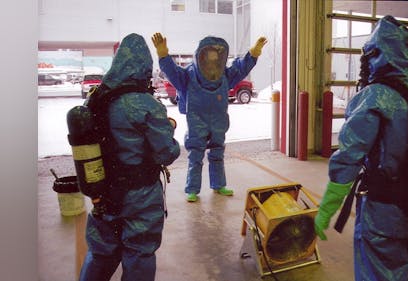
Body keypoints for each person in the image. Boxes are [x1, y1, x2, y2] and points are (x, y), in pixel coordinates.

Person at [314, 15, 408, 281]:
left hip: (384, 213)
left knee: (379, 270)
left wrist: (327, 208)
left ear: (377, 55)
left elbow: (349, 155)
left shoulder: (376, 96)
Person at [79, 33, 180, 281]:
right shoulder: (146, 105)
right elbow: (167, 152)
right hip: (140, 195)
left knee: (102, 250)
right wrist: (170, 129)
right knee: (139, 251)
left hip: (103, 190)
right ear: (145, 66)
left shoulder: (97, 98)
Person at [151, 32, 267, 202]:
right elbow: (173, 72)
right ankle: (192, 189)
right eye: (209, 58)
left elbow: (241, 68)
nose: (212, 63)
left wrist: (253, 53)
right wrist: (163, 55)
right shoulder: (190, 76)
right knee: (196, 155)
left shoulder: (224, 76)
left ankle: (218, 185)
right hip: (197, 121)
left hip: (218, 121)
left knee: (217, 153)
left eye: (216, 59)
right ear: (201, 57)